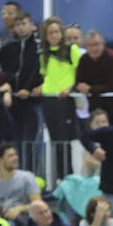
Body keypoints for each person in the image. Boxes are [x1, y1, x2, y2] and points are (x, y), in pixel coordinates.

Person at [0, 11, 42, 167]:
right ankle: (15, 176)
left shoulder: (38, 46)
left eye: (24, 24)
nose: (21, 28)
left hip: (32, 102)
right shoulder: (9, 46)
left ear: (31, 25)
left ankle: (28, 177)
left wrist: (29, 89)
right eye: (17, 25)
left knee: (30, 143)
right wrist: (4, 87)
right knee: (15, 143)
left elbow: (38, 70)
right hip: (13, 101)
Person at [37, 17, 81, 150]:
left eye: (56, 32)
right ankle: (58, 171)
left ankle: (68, 171)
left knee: (65, 140)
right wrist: (40, 88)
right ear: (45, 35)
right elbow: (46, 76)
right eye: (50, 32)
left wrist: (70, 88)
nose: (54, 35)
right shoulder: (43, 54)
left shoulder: (71, 49)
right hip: (48, 98)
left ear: (62, 33)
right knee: (54, 139)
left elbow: (80, 72)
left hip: (65, 98)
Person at [0, 143, 41, 222]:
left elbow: (38, 204)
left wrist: (19, 209)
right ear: (0, 161)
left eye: (15, 155)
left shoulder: (27, 177)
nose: (16, 158)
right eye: (11, 156)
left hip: (23, 221)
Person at [75, 30, 113, 119]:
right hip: (93, 107)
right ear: (86, 47)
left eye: (97, 44)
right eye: (91, 45)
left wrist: (91, 89)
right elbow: (79, 81)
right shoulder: (83, 59)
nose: (94, 48)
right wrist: (81, 87)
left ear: (103, 44)